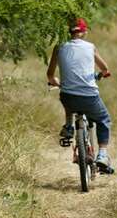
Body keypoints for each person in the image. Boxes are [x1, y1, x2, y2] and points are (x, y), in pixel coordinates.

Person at [47, 18, 113, 171]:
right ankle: (102, 154)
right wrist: (101, 74)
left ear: (69, 32)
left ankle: (69, 126)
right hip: (89, 96)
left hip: (68, 96)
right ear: (84, 32)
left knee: (68, 98)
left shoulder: (59, 47)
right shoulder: (90, 47)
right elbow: (105, 69)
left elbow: (50, 75)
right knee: (104, 119)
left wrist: (58, 83)